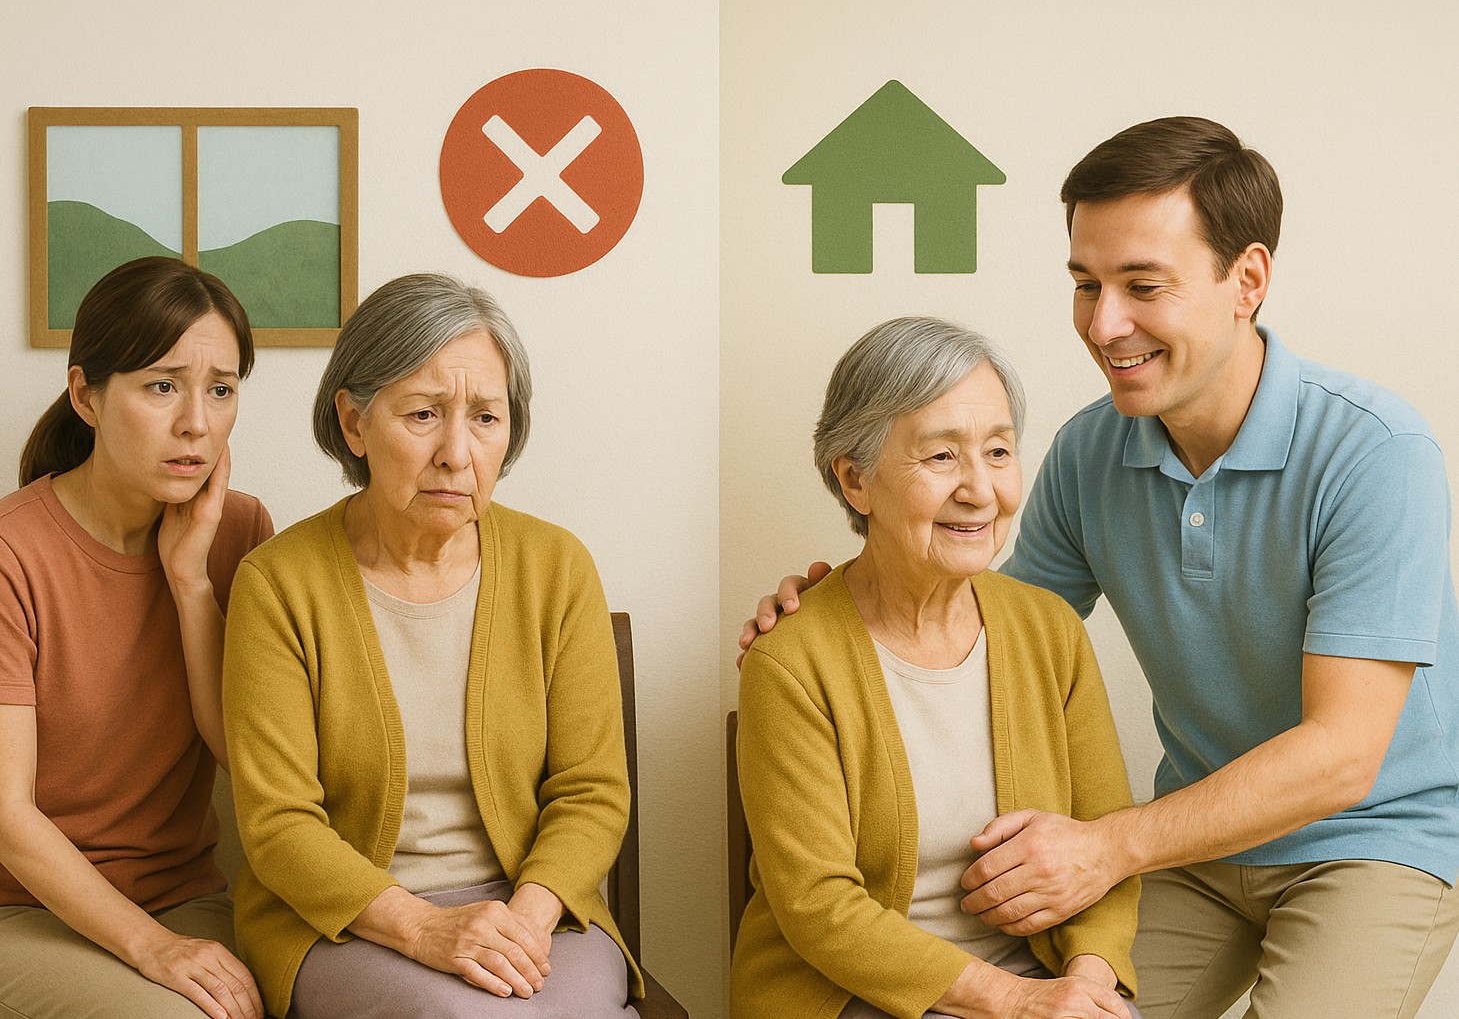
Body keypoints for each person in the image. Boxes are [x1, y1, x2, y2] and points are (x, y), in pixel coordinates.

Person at [742, 117, 1459, 1018]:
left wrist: (1108, 845)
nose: (1103, 324)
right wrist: (837, 608)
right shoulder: (1090, 451)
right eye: (1085, 284)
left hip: (1369, 838)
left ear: (1247, 280)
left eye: (1141, 286)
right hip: (1191, 847)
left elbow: (1342, 756)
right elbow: (991, 626)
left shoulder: (1375, 452)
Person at [222, 273, 642, 1019]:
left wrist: (524, 920)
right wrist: (424, 928)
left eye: (485, 417)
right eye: (423, 413)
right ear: (354, 423)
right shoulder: (277, 584)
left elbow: (591, 791)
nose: (457, 452)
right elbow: (279, 824)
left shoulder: (557, 568)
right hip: (347, 923)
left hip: (533, 909)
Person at [735, 317, 1141, 1019]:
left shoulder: (1050, 630)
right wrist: (1015, 1001)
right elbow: (818, 907)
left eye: (998, 451)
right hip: (851, 994)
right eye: (942, 456)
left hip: (1044, 979)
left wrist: (1088, 981)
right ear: (855, 479)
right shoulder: (790, 662)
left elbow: (1102, 841)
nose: (979, 489)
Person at [0, 256, 272, 1019]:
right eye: (162, 386)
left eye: (220, 389)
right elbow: (8, 816)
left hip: (185, 897)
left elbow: (246, 758)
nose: (196, 423)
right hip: (24, 910)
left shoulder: (239, 530)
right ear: (85, 394)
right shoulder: (12, 553)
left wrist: (191, 584)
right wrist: (153, 947)